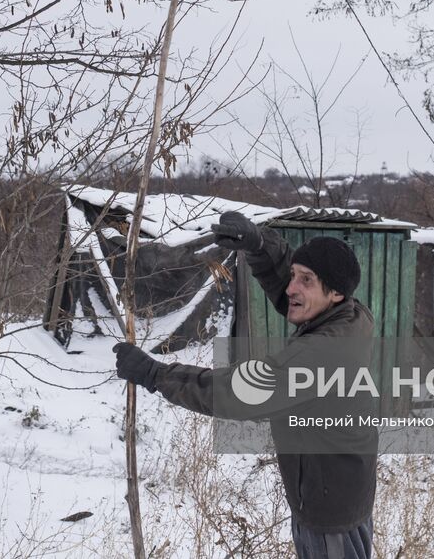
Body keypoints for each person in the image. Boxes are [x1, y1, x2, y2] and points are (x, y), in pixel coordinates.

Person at [113, 211, 377, 559]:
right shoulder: (351, 315)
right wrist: (257, 243)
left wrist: (156, 375)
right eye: (294, 276)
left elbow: (239, 392)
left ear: (336, 293)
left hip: (328, 515)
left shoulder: (323, 352)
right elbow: (294, 292)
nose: (292, 287)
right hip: (343, 494)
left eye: (307, 280)